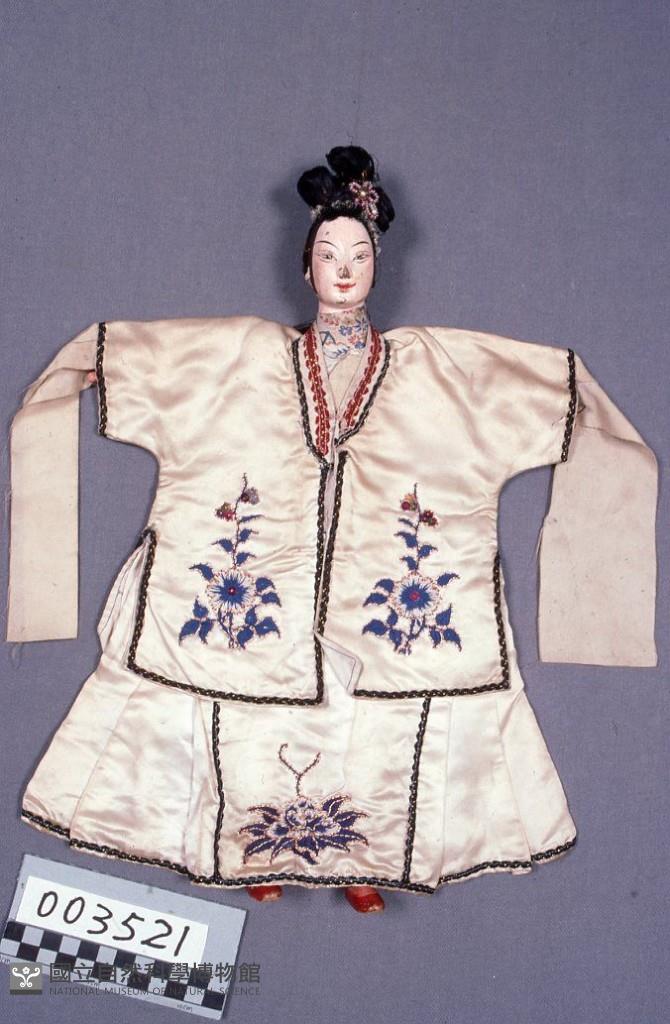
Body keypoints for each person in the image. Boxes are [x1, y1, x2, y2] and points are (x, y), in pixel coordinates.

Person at [6, 146, 657, 916]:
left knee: (379, 731)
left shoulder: (449, 371)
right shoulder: (231, 358)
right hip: (245, 611)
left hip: (395, 623)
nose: (343, 270)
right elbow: (89, 357)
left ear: (378, 264)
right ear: (305, 265)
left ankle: (363, 863)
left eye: (358, 256)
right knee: (240, 711)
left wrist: (593, 613)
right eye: (327, 254)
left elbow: (579, 400)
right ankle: (249, 855)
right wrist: (42, 584)